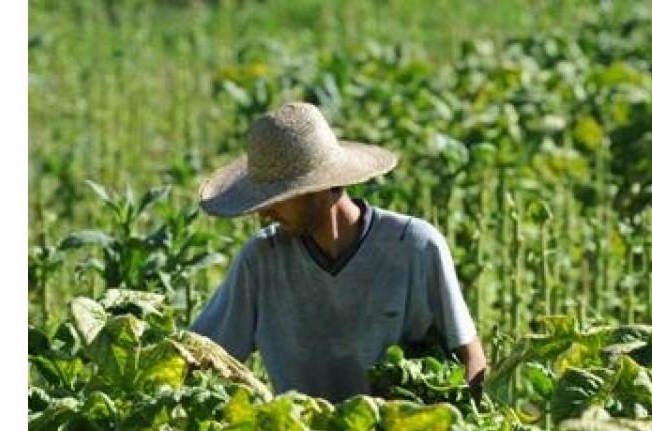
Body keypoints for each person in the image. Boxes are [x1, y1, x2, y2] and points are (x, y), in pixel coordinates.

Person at [191, 101, 488, 403]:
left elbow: (470, 359)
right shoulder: (261, 260)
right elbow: (201, 355)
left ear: (320, 187)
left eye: (277, 199)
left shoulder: (414, 247)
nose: (265, 214)